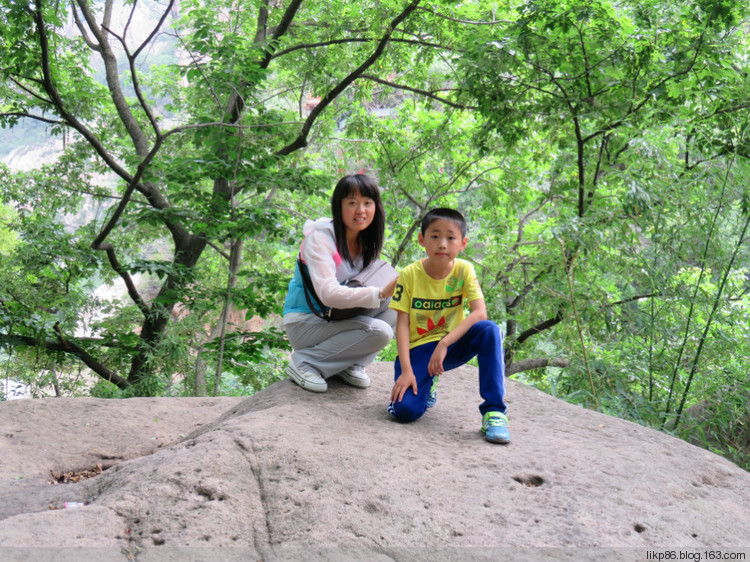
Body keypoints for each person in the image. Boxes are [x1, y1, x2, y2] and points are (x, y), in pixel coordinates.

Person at [387, 207, 510, 444]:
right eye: (434, 236)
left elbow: (479, 313)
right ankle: (426, 387)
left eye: (450, 238)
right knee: (404, 412)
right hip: (419, 349)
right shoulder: (410, 274)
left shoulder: (464, 269)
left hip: (451, 344)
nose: (442, 244)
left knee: (490, 330)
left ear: (462, 243)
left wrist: (444, 342)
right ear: (422, 240)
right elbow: (401, 325)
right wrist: (406, 370)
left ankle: (494, 412)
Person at [282, 174, 399, 393]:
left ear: (376, 207)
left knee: (398, 305)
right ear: (339, 205)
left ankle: (351, 364)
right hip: (306, 322)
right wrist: (380, 292)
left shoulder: (364, 240)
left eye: (367, 203)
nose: (360, 210)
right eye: (352, 203)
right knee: (381, 331)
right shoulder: (321, 238)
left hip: (335, 319)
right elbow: (328, 294)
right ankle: (305, 362)